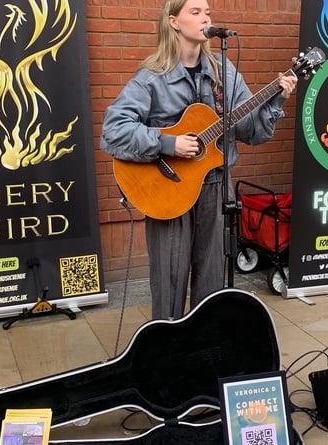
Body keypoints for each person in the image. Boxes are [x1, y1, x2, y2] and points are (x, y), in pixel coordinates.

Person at [100, 0, 297, 320]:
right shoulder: (152, 76)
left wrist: (277, 99)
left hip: (216, 186)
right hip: (167, 187)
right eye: (196, 12)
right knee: (170, 275)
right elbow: (114, 131)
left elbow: (251, 132)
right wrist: (168, 143)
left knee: (211, 274)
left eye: (207, 12)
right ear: (174, 22)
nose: (205, 18)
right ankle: (167, 347)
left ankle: (206, 344)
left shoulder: (224, 71)